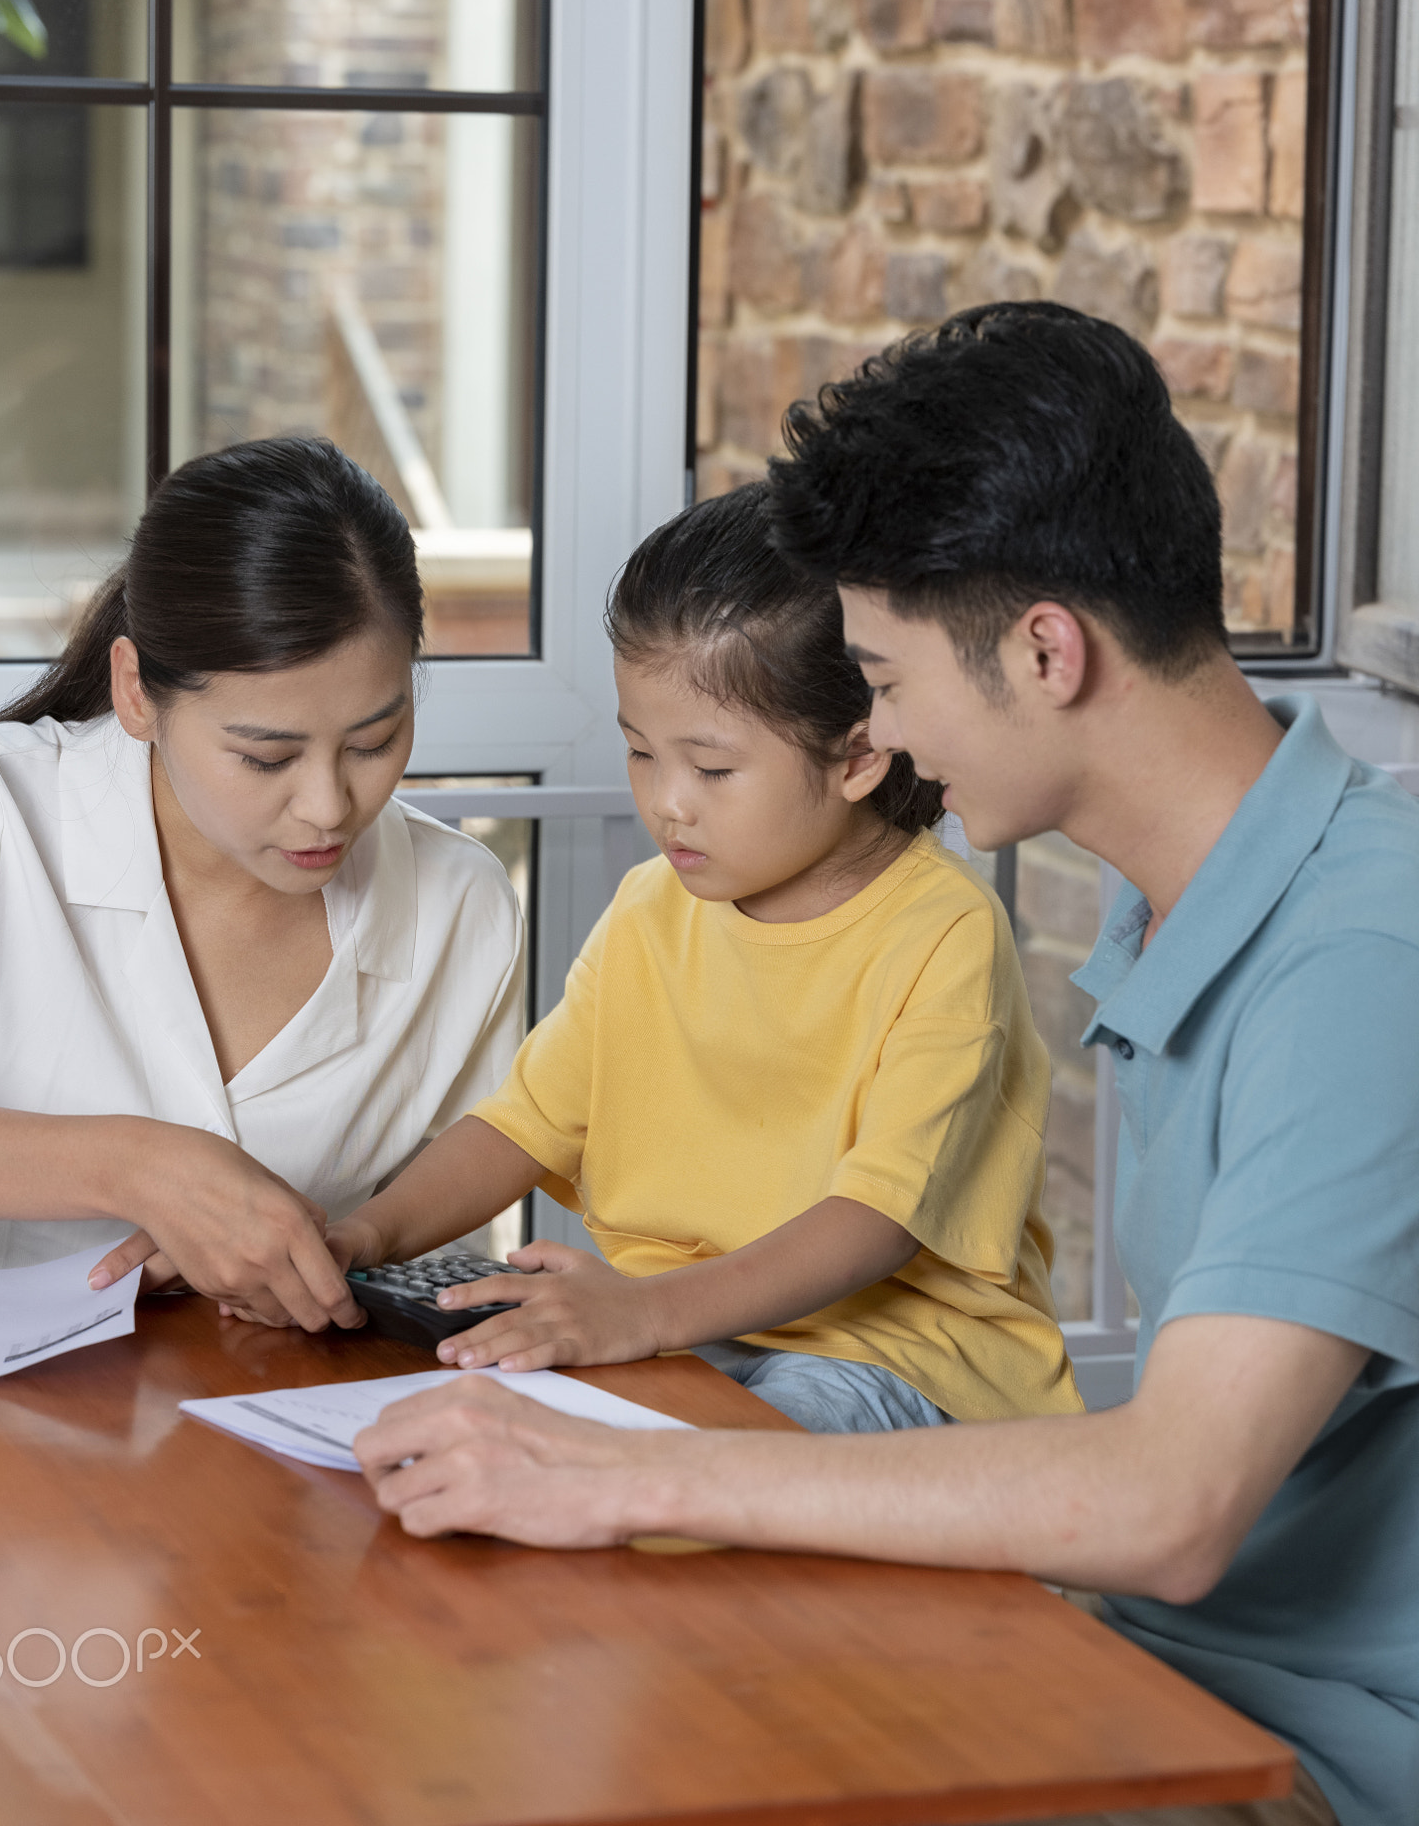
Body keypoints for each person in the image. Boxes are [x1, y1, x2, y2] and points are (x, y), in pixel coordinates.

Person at [351, 307, 1419, 1826]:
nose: (890, 741)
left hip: (1313, 1745)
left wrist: (615, 1474)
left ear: (1046, 651)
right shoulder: (1200, 898)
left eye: (889, 678)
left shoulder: (1364, 954)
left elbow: (1174, 1506)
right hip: (1138, 1658)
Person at [321, 484, 1081, 1435]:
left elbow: (877, 1220)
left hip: (889, 1353)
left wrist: (643, 1312)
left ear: (855, 758)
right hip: (679, 1332)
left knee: (705, 1479)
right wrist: (363, 1236)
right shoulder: (652, 908)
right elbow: (526, 1125)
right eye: (642, 753)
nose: (668, 802)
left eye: (712, 769)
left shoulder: (944, 932)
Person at [0, 438, 523, 1330]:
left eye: (374, 742)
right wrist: (136, 1167)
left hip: (262, 1424)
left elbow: (449, 1223)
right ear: (137, 691)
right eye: (267, 755)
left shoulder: (461, 906)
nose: (329, 807)